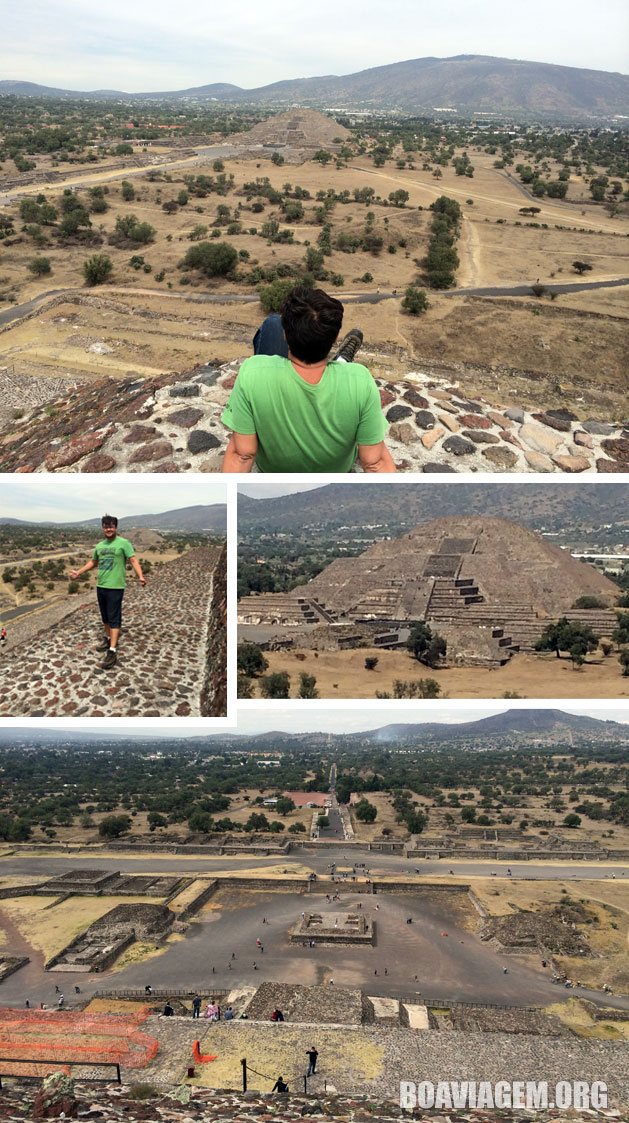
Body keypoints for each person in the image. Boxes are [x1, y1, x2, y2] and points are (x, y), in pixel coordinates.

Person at [221, 286, 395, 474]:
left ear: (285, 334)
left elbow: (242, 455)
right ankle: (341, 362)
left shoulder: (252, 372)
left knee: (272, 323)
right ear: (335, 337)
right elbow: (374, 462)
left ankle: (339, 360)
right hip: (337, 470)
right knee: (344, 376)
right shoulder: (361, 380)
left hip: (272, 470)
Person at [69, 514, 146, 670]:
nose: (108, 529)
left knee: (114, 617)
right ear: (102, 528)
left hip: (116, 586)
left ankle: (112, 651)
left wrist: (141, 575)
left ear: (116, 527)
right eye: (105, 526)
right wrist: (79, 572)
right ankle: (108, 638)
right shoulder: (100, 546)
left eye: (111, 526)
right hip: (101, 585)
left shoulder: (124, 543)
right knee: (105, 617)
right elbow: (93, 562)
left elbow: (133, 560)